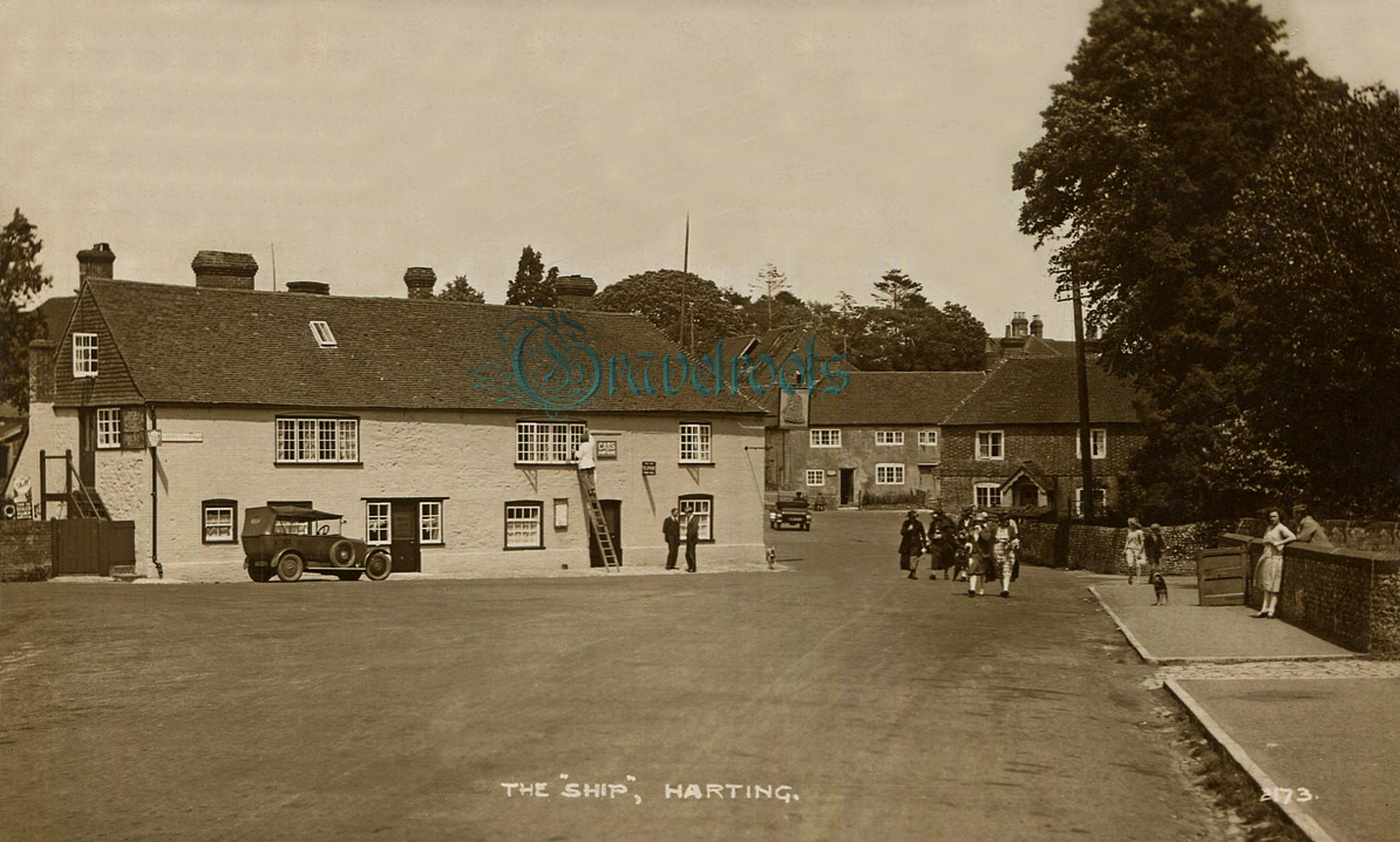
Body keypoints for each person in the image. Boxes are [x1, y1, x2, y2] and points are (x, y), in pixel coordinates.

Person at [1255, 509, 1295, 618]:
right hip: (1267, 557)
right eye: (1271, 517)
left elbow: (1292, 537)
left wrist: (1278, 542)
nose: (1273, 519)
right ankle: (1264, 608)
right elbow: (1264, 541)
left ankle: (1271, 610)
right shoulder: (1269, 528)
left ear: (1279, 517)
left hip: (1276, 558)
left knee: (1274, 584)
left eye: (1275, 517)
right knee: (1266, 583)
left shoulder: (1281, 528)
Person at [967, 514, 994, 597]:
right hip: (973, 554)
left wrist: (981, 532)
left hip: (982, 554)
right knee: (972, 571)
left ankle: (982, 589)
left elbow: (988, 539)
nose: (978, 524)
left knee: (982, 573)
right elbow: (969, 539)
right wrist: (968, 545)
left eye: (980, 522)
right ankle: (972, 589)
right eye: (977, 522)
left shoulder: (986, 530)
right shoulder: (971, 530)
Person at [993, 513, 1020, 598]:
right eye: (1005, 520)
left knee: (1007, 569)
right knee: (999, 571)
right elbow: (990, 540)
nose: (1006, 522)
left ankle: (1005, 589)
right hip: (997, 551)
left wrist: (1012, 543)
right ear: (1000, 521)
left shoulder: (1011, 529)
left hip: (1008, 552)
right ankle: (1003, 588)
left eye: (1007, 520)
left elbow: (1015, 539)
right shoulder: (995, 529)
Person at [1124, 518, 1146, 584]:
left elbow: (1142, 542)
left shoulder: (1139, 532)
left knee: (1138, 565)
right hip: (1129, 549)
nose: (1129, 525)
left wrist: (1140, 551)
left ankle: (1138, 579)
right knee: (1130, 564)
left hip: (1137, 549)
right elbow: (1127, 541)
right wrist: (1125, 549)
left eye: (1130, 524)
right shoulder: (1129, 531)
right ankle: (1130, 577)